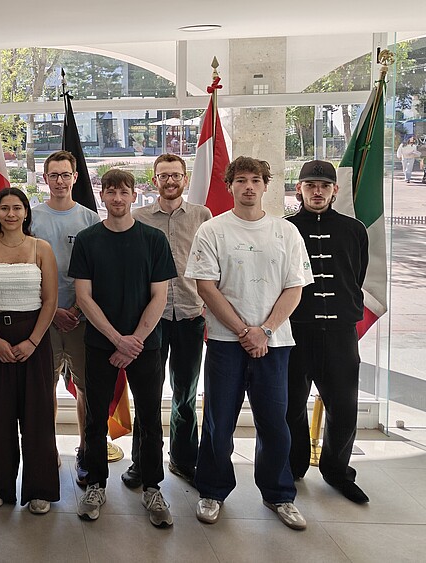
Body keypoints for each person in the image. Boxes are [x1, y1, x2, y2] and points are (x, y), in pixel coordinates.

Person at [186, 156, 314, 530]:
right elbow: (205, 286)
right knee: (218, 422)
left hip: (275, 344)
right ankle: (211, 490)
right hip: (227, 343)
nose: (248, 186)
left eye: (255, 180)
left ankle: (279, 494)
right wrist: (245, 331)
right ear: (229, 186)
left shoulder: (285, 232)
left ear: (265, 185)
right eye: (240, 180)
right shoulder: (213, 231)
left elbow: (295, 287)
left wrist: (266, 331)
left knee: (275, 424)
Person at [70, 169, 176, 528]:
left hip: (145, 345)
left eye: (123, 192)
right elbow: (83, 297)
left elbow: (160, 296)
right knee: (95, 418)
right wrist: (118, 340)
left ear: (134, 195)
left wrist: (135, 342)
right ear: (102, 196)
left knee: (150, 419)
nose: (117, 198)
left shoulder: (154, 239)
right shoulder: (87, 240)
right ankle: (96, 484)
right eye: (110, 192)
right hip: (101, 345)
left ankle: (152, 486)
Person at [0, 187, 59, 515]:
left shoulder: (41, 248)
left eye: (16, 208)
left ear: (25, 212)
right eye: (4, 208)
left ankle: (40, 488)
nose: (10, 214)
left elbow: (50, 300)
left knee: (38, 415)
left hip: (34, 338)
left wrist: (33, 341)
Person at [285, 159, 370, 504]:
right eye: (309, 185)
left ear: (334, 190)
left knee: (344, 405)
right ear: (299, 190)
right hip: (295, 331)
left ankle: (337, 471)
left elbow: (357, 273)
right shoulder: (286, 228)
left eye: (323, 186)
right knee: (291, 405)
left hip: (339, 332)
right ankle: (292, 467)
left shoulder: (354, 229)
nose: (316, 192)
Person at [126, 154, 212, 488]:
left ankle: (183, 458)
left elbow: (211, 261)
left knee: (185, 394)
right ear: (154, 181)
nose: (170, 181)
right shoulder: (139, 218)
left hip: (191, 315)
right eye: (163, 176)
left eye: (176, 175)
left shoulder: (202, 216)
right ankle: (141, 462)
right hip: (151, 319)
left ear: (185, 179)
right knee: (147, 395)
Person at [29, 151, 101, 487]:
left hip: (81, 320)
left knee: (86, 388)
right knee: (45, 390)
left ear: (75, 178)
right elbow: (27, 270)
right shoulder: (32, 218)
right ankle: (48, 450)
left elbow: (98, 274)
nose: (60, 180)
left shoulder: (89, 219)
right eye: (53, 175)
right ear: (45, 178)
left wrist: (76, 310)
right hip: (44, 319)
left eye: (65, 175)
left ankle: (86, 451)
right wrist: (52, 310)